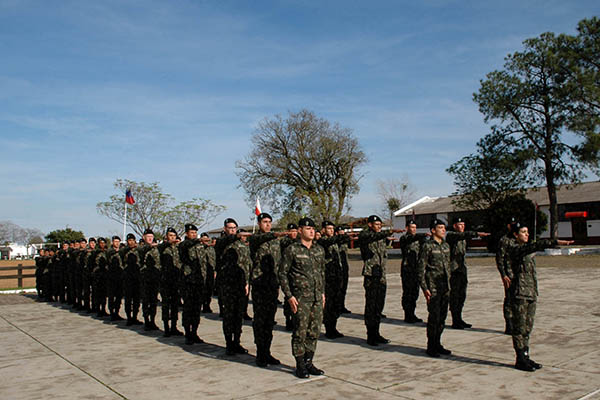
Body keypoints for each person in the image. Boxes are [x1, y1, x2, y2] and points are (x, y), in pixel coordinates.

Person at [507, 222, 572, 371]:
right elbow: (534, 246)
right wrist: (554, 242)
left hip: (531, 292)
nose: (527, 234)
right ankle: (520, 359)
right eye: (523, 232)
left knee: (528, 327)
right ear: (516, 235)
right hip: (520, 293)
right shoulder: (516, 249)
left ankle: (526, 355)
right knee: (519, 327)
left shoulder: (527, 250)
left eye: (527, 232)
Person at [279, 217, 326, 379]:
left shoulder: (319, 250)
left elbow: (321, 273)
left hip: (316, 297)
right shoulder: (292, 250)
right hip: (300, 298)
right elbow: (282, 274)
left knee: (314, 331)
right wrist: (289, 296)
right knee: (300, 332)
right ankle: (299, 365)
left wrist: (323, 293)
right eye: (308, 229)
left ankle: (309, 362)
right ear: (300, 231)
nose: (311, 231)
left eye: (313, 228)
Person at [358, 215, 403, 346]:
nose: (378, 226)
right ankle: (370, 335)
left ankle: (376, 333)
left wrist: (388, 237)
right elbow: (372, 237)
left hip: (381, 275)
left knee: (379, 306)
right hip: (371, 275)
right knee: (371, 306)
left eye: (380, 224)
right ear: (370, 224)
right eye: (376, 224)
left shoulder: (381, 238)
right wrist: (389, 232)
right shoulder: (365, 235)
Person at [248, 212, 283, 367]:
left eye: (269, 222)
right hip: (259, 285)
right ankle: (260, 353)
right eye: (264, 222)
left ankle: (267, 352)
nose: (267, 225)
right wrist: (275, 235)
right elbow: (260, 239)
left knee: (269, 321)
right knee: (260, 321)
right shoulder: (255, 239)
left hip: (272, 285)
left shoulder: (276, 243)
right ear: (259, 223)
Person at [215, 218, 251, 355]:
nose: (232, 230)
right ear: (225, 229)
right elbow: (224, 242)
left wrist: (247, 282)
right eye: (230, 228)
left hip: (240, 284)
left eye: (234, 228)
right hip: (227, 285)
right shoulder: (222, 243)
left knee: (239, 315)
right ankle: (229, 343)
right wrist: (234, 236)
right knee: (229, 316)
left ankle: (237, 341)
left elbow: (247, 265)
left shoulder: (241, 245)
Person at [446, 217, 490, 329]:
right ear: (455, 226)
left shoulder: (463, 239)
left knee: (462, 295)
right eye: (460, 224)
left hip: (461, 270)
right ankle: (455, 320)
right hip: (453, 271)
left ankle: (459, 318)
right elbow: (462, 235)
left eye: (463, 224)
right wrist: (476, 233)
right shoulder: (451, 235)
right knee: (455, 296)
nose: (462, 227)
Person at [418, 219, 452, 357]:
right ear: (433, 230)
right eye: (440, 228)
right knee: (434, 318)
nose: (443, 230)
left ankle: (438, 343)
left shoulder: (446, 246)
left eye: (444, 228)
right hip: (433, 288)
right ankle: (431, 346)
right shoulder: (427, 246)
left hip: (445, 287)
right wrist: (425, 288)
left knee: (442, 318)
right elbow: (421, 269)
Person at [318, 220, 351, 339]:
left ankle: (333, 327)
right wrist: (340, 237)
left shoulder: (335, 242)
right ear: (323, 230)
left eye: (332, 229)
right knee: (329, 304)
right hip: (327, 278)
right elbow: (329, 241)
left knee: (336, 304)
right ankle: (329, 328)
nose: (331, 231)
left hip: (337, 277)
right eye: (329, 229)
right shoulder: (321, 241)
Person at [178, 224, 207, 344]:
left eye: (195, 232)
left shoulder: (200, 246)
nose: (194, 235)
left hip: (199, 281)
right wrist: (197, 241)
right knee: (188, 308)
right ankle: (187, 333)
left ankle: (194, 332)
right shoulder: (184, 245)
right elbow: (186, 245)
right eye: (191, 232)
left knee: (196, 309)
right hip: (188, 281)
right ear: (186, 234)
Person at [398, 219, 429, 323]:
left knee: (415, 293)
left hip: (416, 269)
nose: (414, 229)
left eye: (415, 228)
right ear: (407, 228)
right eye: (412, 227)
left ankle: (412, 313)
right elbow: (411, 238)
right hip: (407, 270)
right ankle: (408, 314)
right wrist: (423, 235)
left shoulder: (419, 239)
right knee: (408, 293)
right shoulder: (405, 238)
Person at [159, 227, 183, 337]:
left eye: (174, 236)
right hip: (165, 280)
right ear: (166, 237)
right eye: (170, 236)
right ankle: (166, 328)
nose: (172, 238)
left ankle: (174, 326)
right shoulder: (163, 248)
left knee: (174, 305)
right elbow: (161, 247)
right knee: (166, 304)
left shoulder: (178, 249)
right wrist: (168, 243)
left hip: (176, 280)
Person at [495, 217, 517, 334]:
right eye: (511, 224)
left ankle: (517, 323)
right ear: (508, 226)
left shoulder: (518, 239)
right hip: (509, 274)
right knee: (509, 299)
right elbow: (500, 259)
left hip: (520, 275)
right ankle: (509, 325)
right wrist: (503, 274)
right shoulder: (505, 240)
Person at [139, 229, 161, 331]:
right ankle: (146, 321)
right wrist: (150, 246)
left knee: (153, 301)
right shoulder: (142, 248)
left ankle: (152, 320)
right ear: (144, 237)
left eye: (151, 237)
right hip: (145, 278)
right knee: (146, 300)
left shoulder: (156, 249)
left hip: (155, 278)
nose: (150, 239)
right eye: (148, 237)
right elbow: (142, 251)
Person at [280, 223, 299, 331]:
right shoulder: (285, 241)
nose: (294, 233)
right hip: (287, 272)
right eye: (291, 231)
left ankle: (295, 319)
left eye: (295, 231)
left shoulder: (299, 242)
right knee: (288, 297)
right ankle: (288, 319)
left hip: (296, 273)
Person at [122, 233, 143, 326]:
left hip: (137, 278)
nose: (131, 242)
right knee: (128, 299)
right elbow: (121, 252)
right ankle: (129, 318)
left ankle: (134, 317)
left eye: (132, 240)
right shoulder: (125, 251)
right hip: (128, 278)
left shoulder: (138, 250)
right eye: (129, 241)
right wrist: (129, 247)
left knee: (136, 299)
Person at [107, 236, 125, 321]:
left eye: (118, 241)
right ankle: (112, 313)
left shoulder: (121, 251)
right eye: (115, 241)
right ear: (112, 242)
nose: (117, 243)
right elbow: (109, 254)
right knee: (111, 296)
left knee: (119, 296)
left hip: (120, 276)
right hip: (111, 276)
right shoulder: (110, 251)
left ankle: (116, 312)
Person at [91, 237, 109, 317]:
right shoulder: (95, 252)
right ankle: (97, 309)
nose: (102, 244)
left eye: (103, 243)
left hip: (105, 275)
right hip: (97, 275)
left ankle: (103, 309)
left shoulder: (107, 252)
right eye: (101, 243)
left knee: (104, 294)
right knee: (97, 293)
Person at [336, 226, 351, 314]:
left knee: (344, 288)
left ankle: (342, 305)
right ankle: (337, 306)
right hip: (338, 268)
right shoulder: (336, 240)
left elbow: (348, 240)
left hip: (345, 267)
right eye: (340, 231)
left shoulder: (344, 241)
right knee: (338, 288)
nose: (342, 232)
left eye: (343, 231)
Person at [200, 232, 216, 314]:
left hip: (210, 271)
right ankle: (203, 305)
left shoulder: (211, 249)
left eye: (207, 239)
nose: (205, 241)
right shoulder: (199, 248)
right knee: (202, 290)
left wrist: (214, 271)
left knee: (209, 289)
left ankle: (207, 305)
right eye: (204, 239)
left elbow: (214, 260)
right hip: (201, 272)